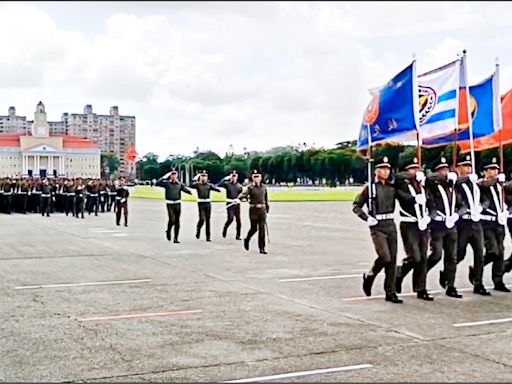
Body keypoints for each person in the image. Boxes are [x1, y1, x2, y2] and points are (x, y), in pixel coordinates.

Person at [353, 156, 402, 304]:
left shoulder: (392, 186)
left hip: (390, 223)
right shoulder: (370, 188)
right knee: (384, 256)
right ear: (376, 171)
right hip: (377, 225)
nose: (386, 172)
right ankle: (370, 276)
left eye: (387, 169)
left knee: (392, 260)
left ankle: (390, 292)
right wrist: (366, 217)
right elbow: (356, 206)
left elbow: (406, 198)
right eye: (382, 168)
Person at [425, 156, 465, 298]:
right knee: (435, 255)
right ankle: (420, 276)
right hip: (437, 225)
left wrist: (456, 215)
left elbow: (462, 205)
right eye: (441, 170)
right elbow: (429, 179)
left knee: (452, 257)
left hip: (451, 225)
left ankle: (450, 285)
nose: (445, 172)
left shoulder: (453, 186)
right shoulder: (432, 185)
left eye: (446, 169)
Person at [394, 156, 433, 301]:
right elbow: (401, 191)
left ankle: (420, 288)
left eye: (417, 168)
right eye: (412, 168)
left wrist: (429, 215)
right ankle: (399, 273)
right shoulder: (401, 182)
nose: (416, 171)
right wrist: (413, 197)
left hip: (422, 223)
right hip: (409, 223)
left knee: (423, 258)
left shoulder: (422, 183)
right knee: (414, 256)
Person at [451, 154, 490, 295]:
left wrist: (481, 207)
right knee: (459, 253)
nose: (468, 169)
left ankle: (478, 283)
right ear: (457, 168)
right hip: (462, 223)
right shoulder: (456, 183)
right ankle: (448, 278)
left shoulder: (475, 185)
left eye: (469, 166)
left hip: (476, 222)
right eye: (465, 166)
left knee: (480, 253)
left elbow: (485, 200)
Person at [479, 157, 510, 292]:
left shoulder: (501, 185)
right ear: (484, 172)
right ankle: (475, 270)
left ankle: (498, 281)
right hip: (487, 222)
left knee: (500, 252)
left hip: (499, 222)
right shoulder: (481, 184)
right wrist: (496, 180)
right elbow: (485, 185)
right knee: (492, 250)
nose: (495, 171)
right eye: (491, 169)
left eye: (496, 169)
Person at [155, 169, 192, 243]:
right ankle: (168, 231)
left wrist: (189, 192)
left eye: (175, 176)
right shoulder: (167, 184)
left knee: (177, 221)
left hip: (177, 203)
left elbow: (186, 190)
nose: (174, 177)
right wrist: (165, 176)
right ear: (170, 176)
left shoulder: (179, 184)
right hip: (170, 203)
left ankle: (176, 238)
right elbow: (157, 183)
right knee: (172, 219)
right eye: (172, 175)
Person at [238, 169, 269, 254]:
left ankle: (262, 248)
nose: (256, 178)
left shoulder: (264, 188)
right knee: (254, 228)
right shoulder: (250, 188)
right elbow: (244, 194)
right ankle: (247, 239)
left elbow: (265, 199)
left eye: (258, 177)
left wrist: (267, 209)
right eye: (254, 177)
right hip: (253, 210)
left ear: (261, 177)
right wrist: (240, 198)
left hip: (262, 210)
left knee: (262, 230)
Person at [190, 170, 221, 241]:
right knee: (202, 219)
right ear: (200, 177)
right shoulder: (197, 185)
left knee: (208, 220)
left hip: (207, 203)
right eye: (202, 176)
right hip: (201, 203)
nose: (204, 178)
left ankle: (208, 236)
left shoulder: (209, 185)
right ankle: (198, 228)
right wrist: (196, 178)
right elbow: (189, 185)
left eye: (205, 177)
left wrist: (216, 188)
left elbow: (217, 189)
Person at [217, 170, 243, 240]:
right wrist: (226, 178)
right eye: (232, 176)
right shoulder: (227, 184)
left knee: (239, 220)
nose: (234, 178)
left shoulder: (239, 186)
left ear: (237, 177)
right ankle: (225, 228)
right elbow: (219, 184)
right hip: (230, 204)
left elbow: (242, 195)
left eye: (235, 176)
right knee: (230, 218)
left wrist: (240, 200)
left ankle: (238, 235)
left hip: (236, 204)